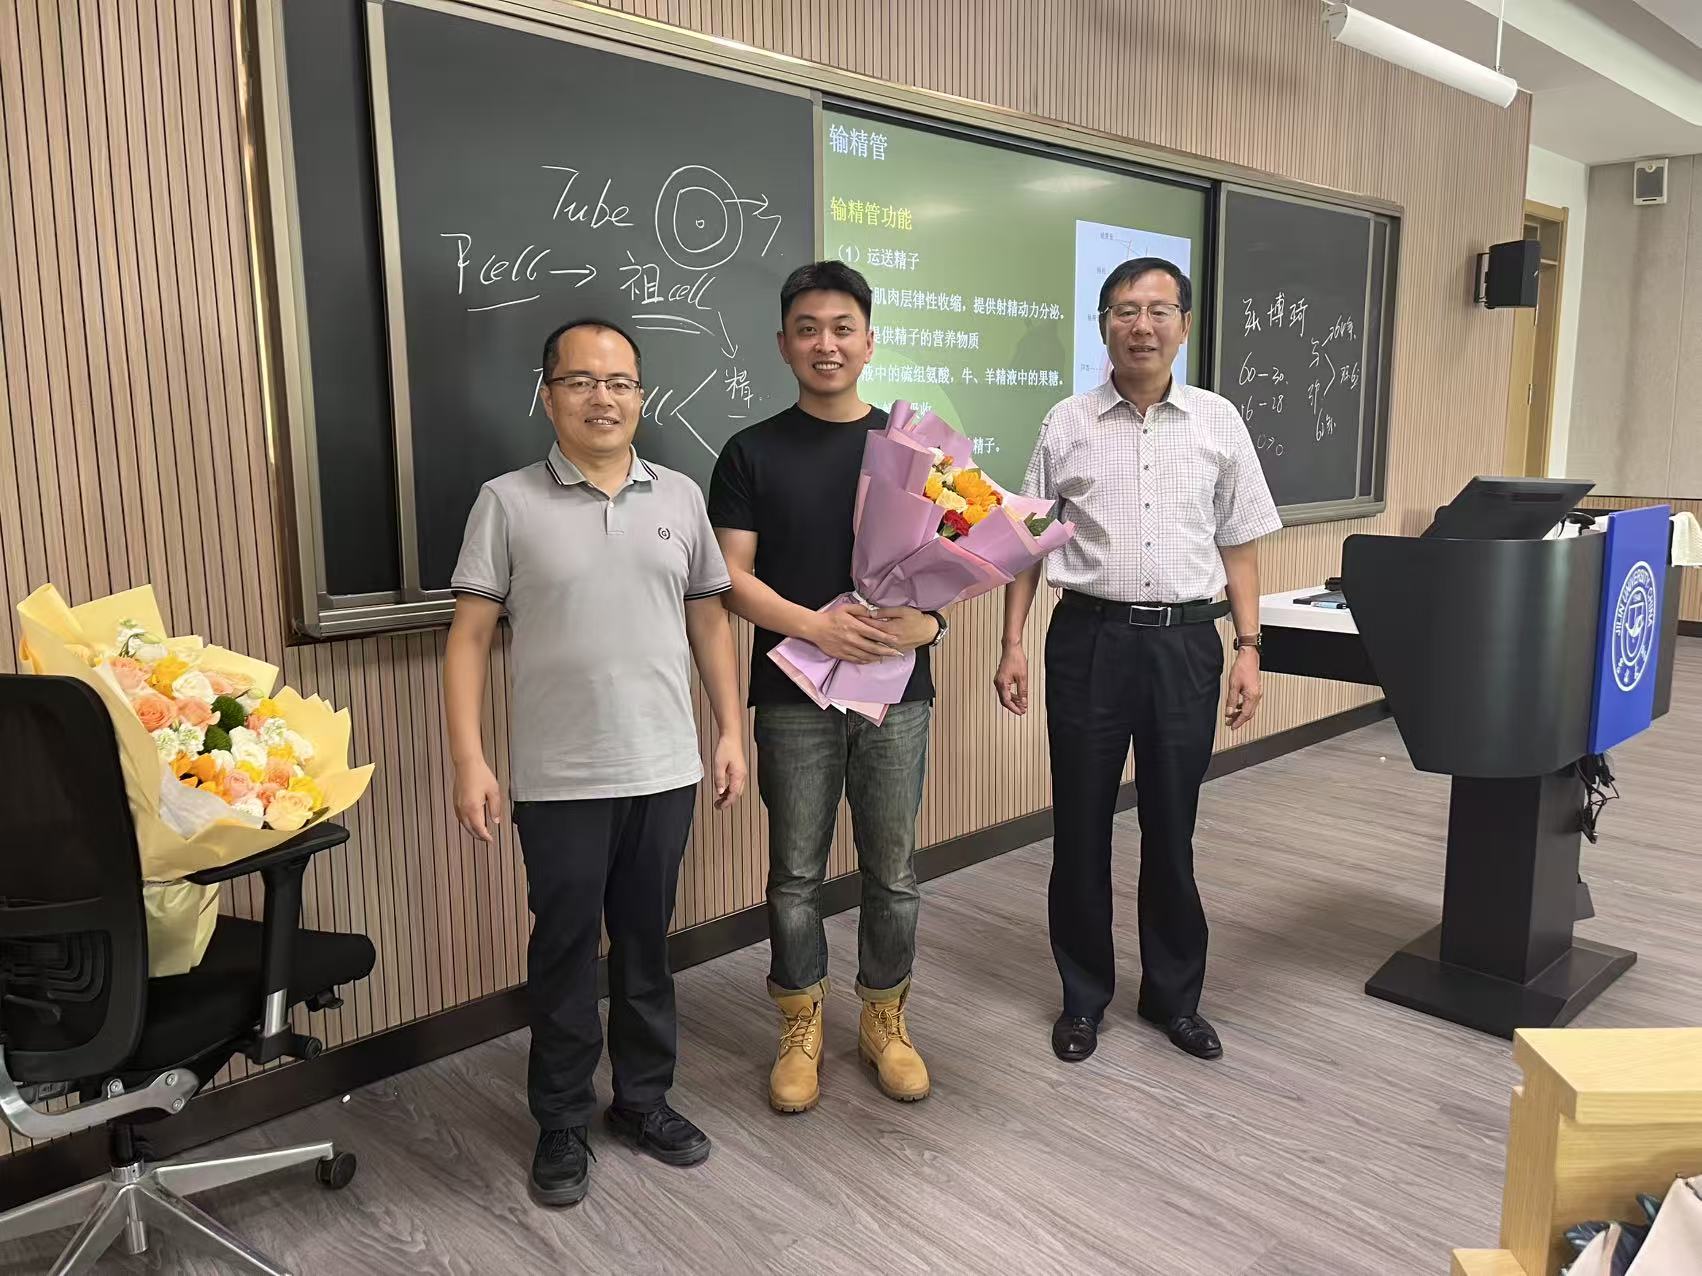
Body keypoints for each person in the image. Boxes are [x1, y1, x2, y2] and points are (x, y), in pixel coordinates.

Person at [443, 318, 747, 1207]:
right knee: (566, 952)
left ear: (641, 396)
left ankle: (643, 1101)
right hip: (560, 777)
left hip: (665, 767)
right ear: (548, 395)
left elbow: (709, 623)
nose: (602, 398)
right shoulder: (506, 502)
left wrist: (729, 731)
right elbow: (468, 639)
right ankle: (562, 1120)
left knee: (648, 946)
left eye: (619, 382)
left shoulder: (680, 497)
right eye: (580, 381)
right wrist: (470, 759)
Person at [995, 258, 1281, 1065]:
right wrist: (1011, 643)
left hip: (1186, 645)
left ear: (1184, 325)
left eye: (1159, 310)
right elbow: (1029, 541)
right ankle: (1082, 997)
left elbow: (1239, 546)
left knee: (1172, 826)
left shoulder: (1218, 421)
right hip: (1087, 640)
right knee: (1081, 827)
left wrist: (1249, 649)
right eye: (1125, 310)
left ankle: (1173, 998)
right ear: (1104, 326)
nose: (1142, 326)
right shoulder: (1067, 422)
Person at [708, 261, 945, 1114]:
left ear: (870, 341)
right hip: (791, 697)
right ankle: (799, 1023)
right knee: (795, 875)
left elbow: (947, 574)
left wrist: (930, 627)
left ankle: (884, 1018)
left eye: (843, 328)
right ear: (783, 344)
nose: (826, 344)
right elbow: (732, 581)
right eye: (808, 329)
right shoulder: (750, 452)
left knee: (894, 871)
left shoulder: (913, 453)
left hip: (896, 697)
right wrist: (815, 627)